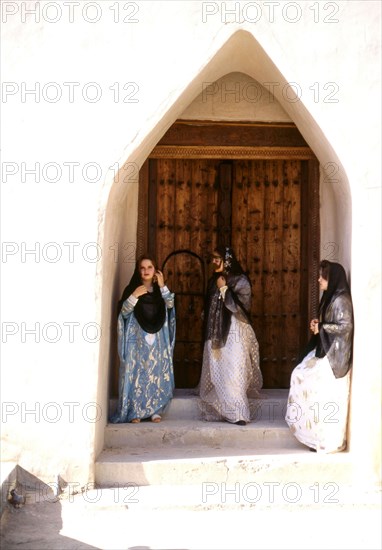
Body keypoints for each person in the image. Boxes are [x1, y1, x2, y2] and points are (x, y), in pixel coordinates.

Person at [285, 260, 353, 453]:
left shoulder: (341, 300)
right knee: (300, 374)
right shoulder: (330, 297)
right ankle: (314, 436)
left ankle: (328, 441)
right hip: (326, 351)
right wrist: (319, 324)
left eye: (322, 276)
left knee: (321, 394)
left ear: (331, 279)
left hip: (334, 358)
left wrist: (322, 327)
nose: (319, 279)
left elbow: (345, 326)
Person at [199, 245, 263, 425]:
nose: (214, 262)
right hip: (215, 331)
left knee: (233, 369)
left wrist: (224, 289)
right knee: (218, 368)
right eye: (213, 258)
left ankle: (238, 413)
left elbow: (240, 308)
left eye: (217, 258)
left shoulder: (240, 280)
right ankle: (223, 410)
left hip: (234, 331)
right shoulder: (214, 280)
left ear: (227, 261)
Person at [110, 254, 176, 424]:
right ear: (138, 271)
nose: (146, 271)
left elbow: (170, 307)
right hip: (137, 339)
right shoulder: (132, 289)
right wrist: (133, 296)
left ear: (155, 271)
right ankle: (135, 411)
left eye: (150, 267)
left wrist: (163, 287)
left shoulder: (161, 292)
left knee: (155, 371)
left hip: (157, 339)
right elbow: (123, 313)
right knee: (137, 372)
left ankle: (154, 410)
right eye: (142, 267)